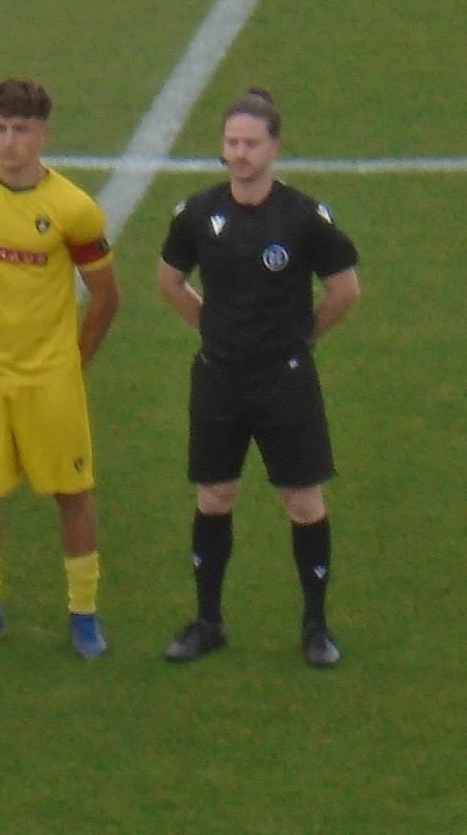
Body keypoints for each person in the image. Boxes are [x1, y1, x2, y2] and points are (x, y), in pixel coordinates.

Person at [156, 87, 361, 668]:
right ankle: (208, 622)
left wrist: (301, 338)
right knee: (215, 495)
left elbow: (345, 290)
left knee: (303, 501)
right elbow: (169, 281)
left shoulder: (303, 217)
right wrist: (212, 328)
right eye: (232, 142)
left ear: (274, 147)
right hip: (219, 377)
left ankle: (316, 627)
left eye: (251, 143)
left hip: (284, 382)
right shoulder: (198, 213)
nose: (240, 153)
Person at [0, 77, 120, 660]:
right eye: (0, 129)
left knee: (72, 492)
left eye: (20, 130)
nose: (9, 141)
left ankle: (84, 615)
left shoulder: (73, 209)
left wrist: (72, 364)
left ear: (43, 135)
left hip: (49, 379)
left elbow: (106, 297)